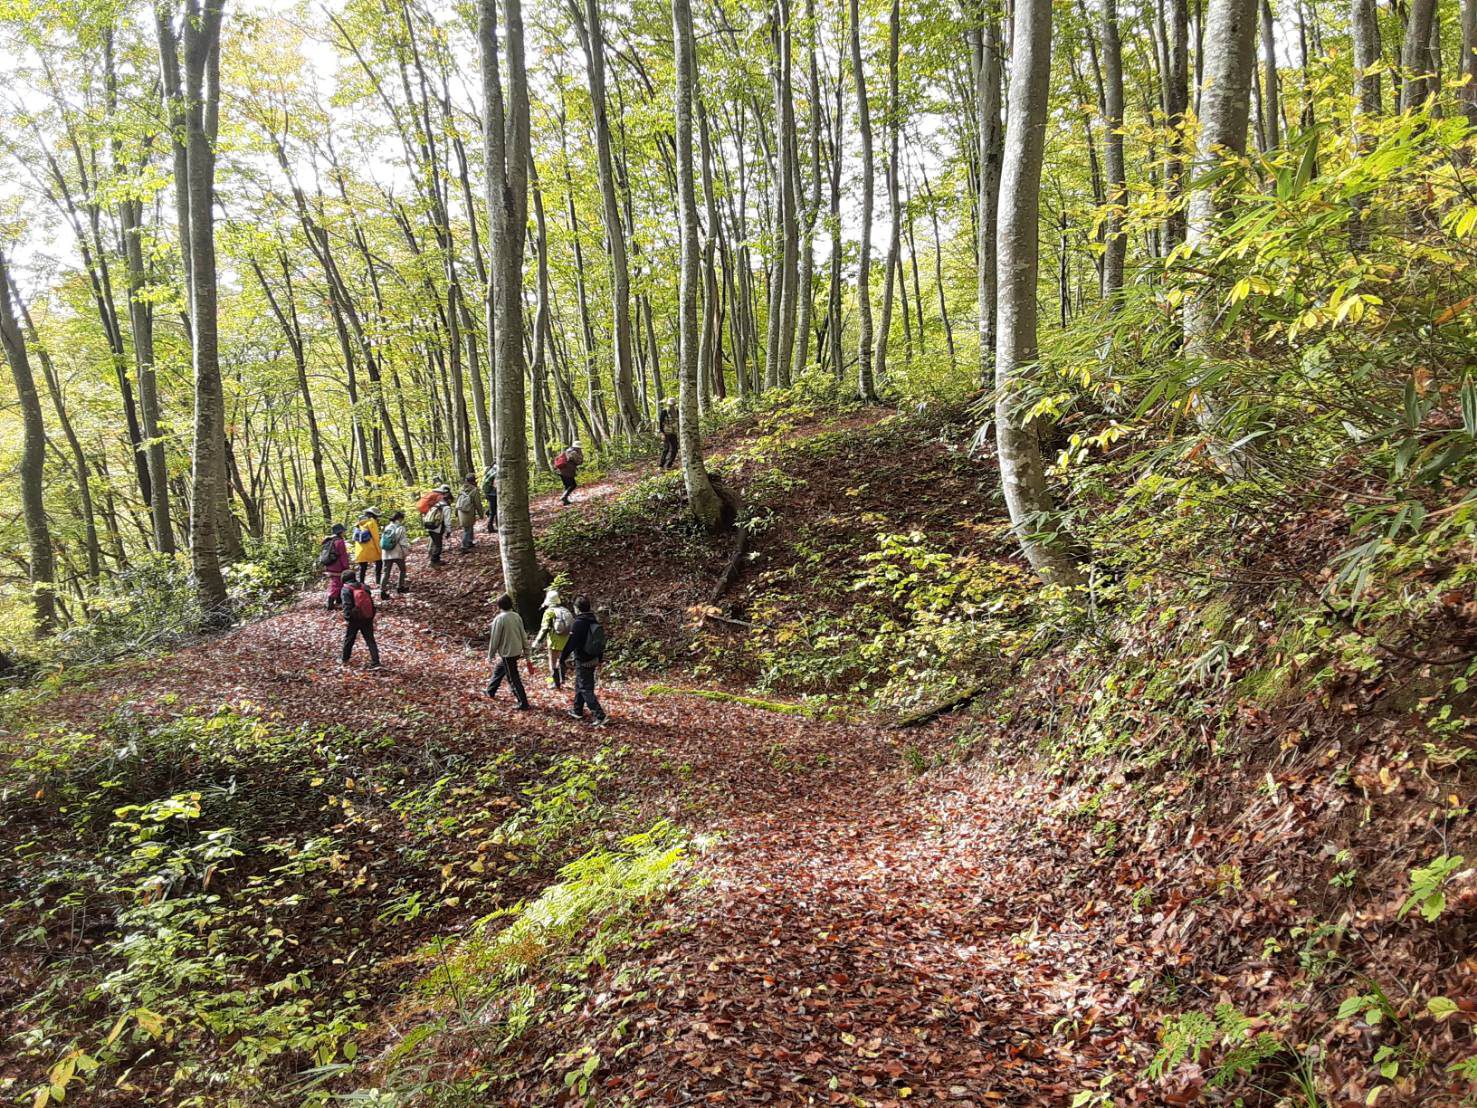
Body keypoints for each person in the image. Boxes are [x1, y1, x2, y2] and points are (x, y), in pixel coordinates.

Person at [559, 596, 608, 726]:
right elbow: (599, 641)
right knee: (580, 683)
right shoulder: (593, 620)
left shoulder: (579, 623)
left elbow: (571, 643)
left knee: (585, 688)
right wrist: (600, 658)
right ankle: (577, 710)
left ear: (577, 609)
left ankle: (600, 715)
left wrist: (562, 658)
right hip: (593, 657)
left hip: (583, 659)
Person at [485, 593, 533, 709]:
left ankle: (523, 703)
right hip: (516, 651)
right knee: (499, 669)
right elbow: (523, 635)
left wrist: (490, 655)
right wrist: (527, 652)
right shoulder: (516, 616)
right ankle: (490, 690)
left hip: (508, 653)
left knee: (513, 678)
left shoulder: (500, 618)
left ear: (499, 606)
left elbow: (495, 639)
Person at [529, 586, 574, 688]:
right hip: (566, 639)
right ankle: (562, 680)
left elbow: (544, 628)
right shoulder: (564, 610)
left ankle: (555, 683)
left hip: (554, 641)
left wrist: (537, 642)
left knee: (553, 662)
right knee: (561, 660)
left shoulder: (549, 612)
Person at [340, 575, 381, 669]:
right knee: (370, 640)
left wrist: (348, 618)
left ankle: (344, 658)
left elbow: (347, 605)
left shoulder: (346, 589)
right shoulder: (364, 586)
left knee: (349, 639)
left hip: (354, 618)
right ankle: (376, 661)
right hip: (367, 617)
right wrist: (371, 615)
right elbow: (370, 601)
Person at [318, 523, 351, 609]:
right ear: (340, 532)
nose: (344, 532)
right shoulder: (339, 541)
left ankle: (338, 601)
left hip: (329, 564)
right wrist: (346, 567)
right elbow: (343, 555)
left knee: (336, 583)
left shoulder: (330, 540)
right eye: (343, 531)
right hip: (337, 566)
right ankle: (330, 603)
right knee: (336, 584)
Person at [379, 510, 410, 599]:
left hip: (386, 554)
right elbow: (403, 542)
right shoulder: (400, 528)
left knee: (386, 573)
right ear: (399, 518)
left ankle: (382, 591)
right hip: (397, 553)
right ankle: (400, 587)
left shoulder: (387, 527)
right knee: (402, 570)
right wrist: (406, 551)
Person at [352, 508, 382, 585]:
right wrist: (379, 550)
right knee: (379, 562)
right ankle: (378, 581)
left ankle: (361, 583)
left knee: (362, 567)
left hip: (360, 550)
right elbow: (375, 538)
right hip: (371, 549)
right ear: (373, 515)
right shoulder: (371, 522)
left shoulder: (358, 523)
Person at [455, 475, 484, 552]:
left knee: (468, 527)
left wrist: (456, 512)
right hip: (468, 511)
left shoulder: (461, 488)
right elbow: (477, 503)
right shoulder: (474, 490)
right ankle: (464, 546)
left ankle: (469, 542)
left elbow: (457, 501)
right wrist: (481, 514)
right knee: (467, 529)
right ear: (473, 481)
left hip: (460, 510)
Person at [658, 398, 678, 470]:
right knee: (666, 448)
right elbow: (660, 423)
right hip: (666, 433)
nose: (671, 406)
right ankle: (661, 465)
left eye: (673, 404)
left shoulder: (677, 411)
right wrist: (662, 433)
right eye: (670, 404)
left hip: (674, 433)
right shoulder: (664, 411)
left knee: (675, 449)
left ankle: (669, 465)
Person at [481, 464, 499, 532]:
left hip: (488, 494)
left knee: (493, 510)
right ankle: (490, 527)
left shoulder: (490, 470)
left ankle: (488, 512)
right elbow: (495, 485)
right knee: (494, 512)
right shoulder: (496, 472)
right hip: (493, 494)